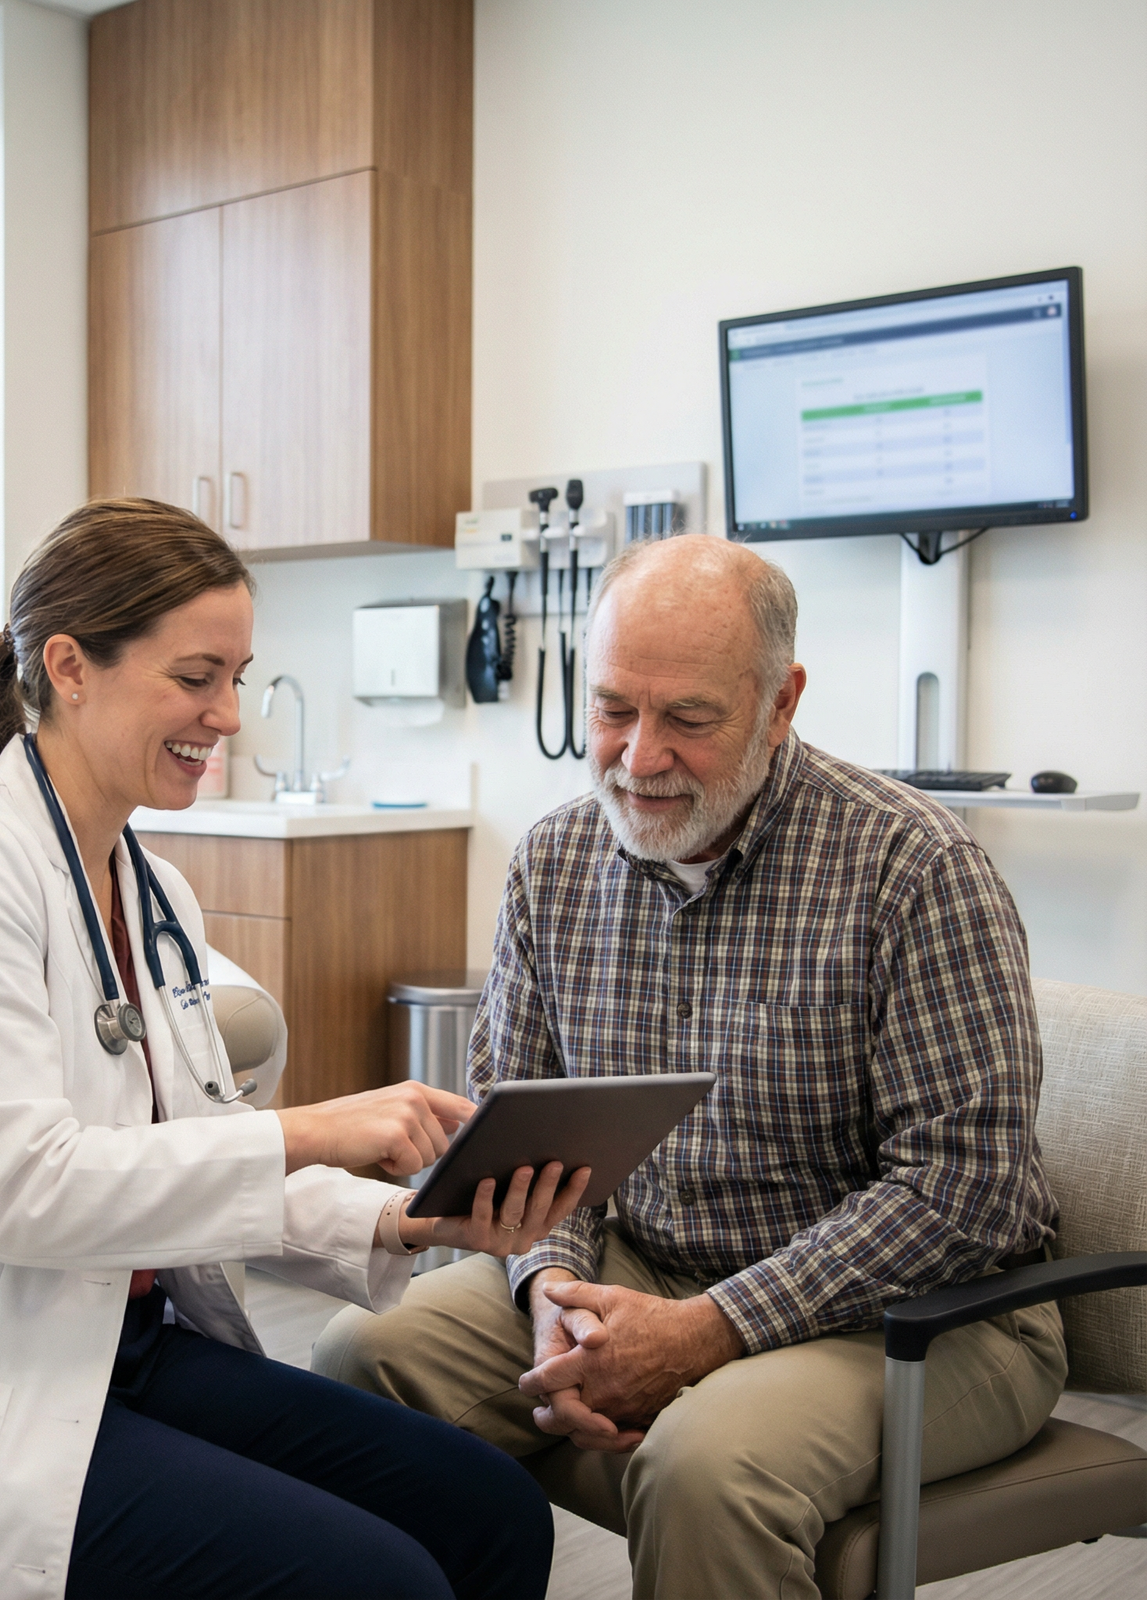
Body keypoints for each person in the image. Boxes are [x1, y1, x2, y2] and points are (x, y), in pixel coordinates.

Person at [0, 499, 591, 1600]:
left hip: (123, 1348)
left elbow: (192, 1155)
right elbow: (24, 1193)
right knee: (379, 1581)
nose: (228, 716)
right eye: (194, 677)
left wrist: (409, 1214)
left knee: (487, 1508)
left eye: (237, 678)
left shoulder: (152, 892)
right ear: (70, 666)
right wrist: (310, 1127)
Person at [313, 534, 1065, 1600]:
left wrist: (711, 1330)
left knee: (707, 1464)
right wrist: (555, 1290)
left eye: (690, 720)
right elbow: (523, 1136)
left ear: (780, 701)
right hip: (639, 1263)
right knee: (361, 1360)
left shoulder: (915, 871)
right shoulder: (555, 861)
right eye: (614, 709)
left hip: (922, 1317)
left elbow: (965, 1193)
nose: (639, 755)